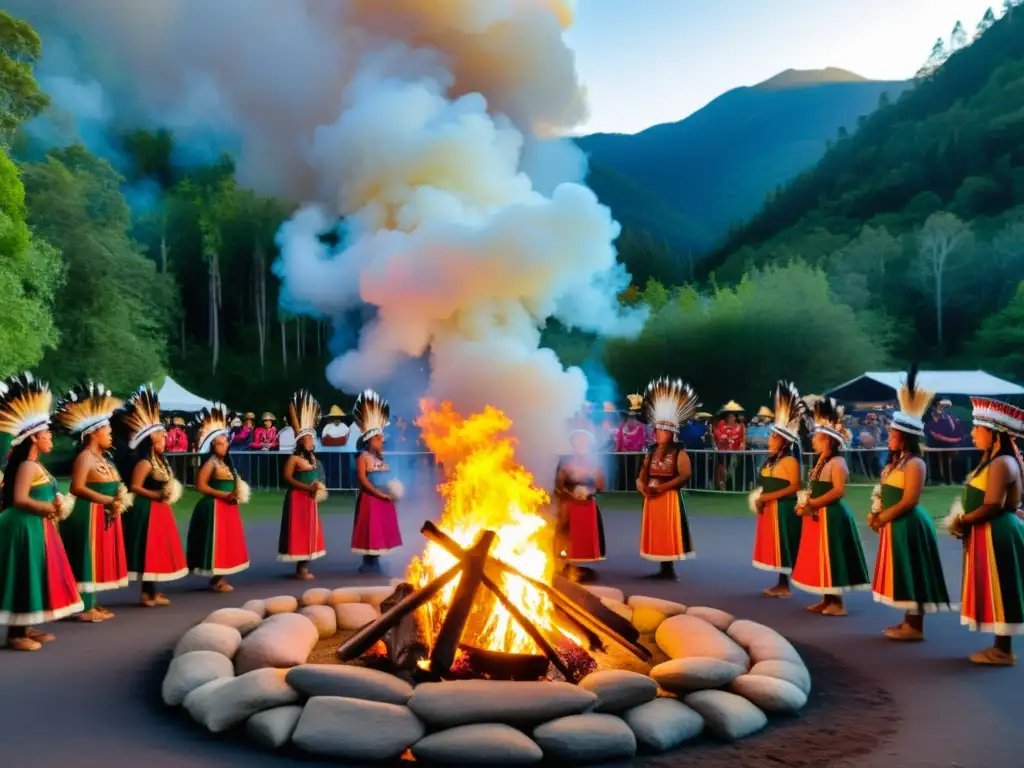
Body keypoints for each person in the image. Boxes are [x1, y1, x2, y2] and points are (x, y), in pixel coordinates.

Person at [868, 366, 954, 640]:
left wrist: (883, 517)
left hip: (909, 524)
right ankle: (908, 622)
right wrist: (876, 514)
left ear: (905, 437)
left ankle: (915, 627)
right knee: (904, 570)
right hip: (895, 523)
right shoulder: (897, 463)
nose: (889, 437)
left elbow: (909, 500)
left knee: (913, 570)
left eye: (893, 434)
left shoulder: (915, 463)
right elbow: (885, 493)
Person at [0, 374, 83, 650]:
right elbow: (20, 498)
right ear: (34, 438)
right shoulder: (26, 465)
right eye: (47, 435)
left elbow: (43, 491)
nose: (51, 440)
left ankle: (26, 625)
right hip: (23, 526)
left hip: (37, 526)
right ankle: (15, 635)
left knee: (31, 574)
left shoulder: (36, 464)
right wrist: (49, 507)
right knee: (22, 575)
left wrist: (56, 501)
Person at [947, 397, 1024, 665]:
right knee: (998, 587)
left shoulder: (1002, 463)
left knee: (1002, 587)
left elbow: (992, 505)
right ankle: (1000, 647)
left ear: (992, 434)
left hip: (997, 533)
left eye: (976, 429)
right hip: (990, 532)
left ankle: (1003, 650)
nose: (972, 433)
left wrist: (963, 520)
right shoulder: (993, 461)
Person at [54, 384, 130, 623]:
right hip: (87, 514)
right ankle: (84, 607)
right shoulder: (85, 457)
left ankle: (91, 603)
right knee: (86, 557)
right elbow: (76, 488)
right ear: (93, 432)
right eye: (106, 429)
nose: (110, 433)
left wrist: (116, 497)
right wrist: (108, 499)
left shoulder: (102, 458)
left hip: (101, 513)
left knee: (95, 558)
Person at [791, 397, 871, 616]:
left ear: (829, 441)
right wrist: (805, 505)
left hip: (832, 515)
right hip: (818, 514)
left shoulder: (837, 463)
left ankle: (837, 603)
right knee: (821, 557)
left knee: (833, 556)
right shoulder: (821, 462)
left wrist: (813, 503)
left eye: (817, 438)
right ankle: (827, 598)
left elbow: (838, 491)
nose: (814, 441)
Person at [113, 386, 188, 608]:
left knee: (156, 551)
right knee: (148, 550)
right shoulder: (144, 462)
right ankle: (147, 593)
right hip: (146, 509)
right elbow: (135, 486)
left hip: (158, 508)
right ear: (149, 440)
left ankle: (152, 592)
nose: (165, 436)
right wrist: (155, 494)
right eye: (160, 435)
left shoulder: (160, 461)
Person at [636, 378, 697, 581]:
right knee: (656, 531)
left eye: (663, 431)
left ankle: (669, 569)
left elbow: (684, 475)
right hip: (652, 497)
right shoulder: (651, 451)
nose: (659, 434)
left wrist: (662, 488)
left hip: (669, 498)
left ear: (671, 434)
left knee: (669, 531)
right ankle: (662, 568)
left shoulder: (680, 452)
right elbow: (643, 473)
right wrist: (642, 487)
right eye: (657, 430)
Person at [187, 405, 250, 592]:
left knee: (227, 542)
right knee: (217, 542)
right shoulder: (210, 463)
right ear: (213, 445)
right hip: (214, 507)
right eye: (221, 443)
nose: (226, 445)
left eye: (226, 442)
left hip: (227, 506)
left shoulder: (225, 464)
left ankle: (220, 576)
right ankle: (216, 579)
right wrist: (223, 495)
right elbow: (201, 486)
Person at [752, 382, 805, 598]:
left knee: (785, 545)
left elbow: (794, 486)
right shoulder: (773, 461)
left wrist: (767, 497)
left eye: (774, 436)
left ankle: (784, 585)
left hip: (783, 509)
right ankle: (780, 583)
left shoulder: (790, 461)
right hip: (772, 508)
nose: (769, 439)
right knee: (776, 546)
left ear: (784, 441)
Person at [351, 389, 403, 574]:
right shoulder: (363, 457)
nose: (382, 441)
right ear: (369, 440)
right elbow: (362, 479)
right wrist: (378, 493)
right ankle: (369, 563)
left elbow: (388, 476)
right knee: (371, 530)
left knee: (381, 530)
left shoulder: (381, 459)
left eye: (382, 438)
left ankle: (376, 561)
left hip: (382, 498)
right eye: (378, 438)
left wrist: (394, 489)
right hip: (371, 498)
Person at [279, 390, 327, 580]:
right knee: (298, 529)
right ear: (301, 441)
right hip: (297, 498)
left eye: (313, 438)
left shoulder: (312, 457)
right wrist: (306, 488)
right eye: (309, 438)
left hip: (310, 498)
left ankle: (305, 563)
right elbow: (288, 478)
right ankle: (301, 567)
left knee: (310, 529)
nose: (312, 441)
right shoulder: (294, 458)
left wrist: (317, 486)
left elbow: (317, 474)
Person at [554, 416, 606, 582]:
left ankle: (578, 567)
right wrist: (567, 494)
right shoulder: (565, 462)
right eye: (577, 440)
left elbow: (600, 486)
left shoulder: (594, 463)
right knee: (566, 534)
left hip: (586, 505)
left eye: (584, 441)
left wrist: (590, 490)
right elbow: (558, 485)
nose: (580, 444)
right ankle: (565, 564)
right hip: (568, 505)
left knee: (584, 537)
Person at [925, 399, 961, 484]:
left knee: (950, 460)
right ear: (935, 405)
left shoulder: (947, 414)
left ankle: (951, 479)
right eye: (940, 404)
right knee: (936, 460)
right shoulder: (930, 414)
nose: (942, 406)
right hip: (934, 442)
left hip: (947, 443)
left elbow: (952, 427)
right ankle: (937, 479)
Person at [713, 402, 745, 490]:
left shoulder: (740, 426)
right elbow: (718, 435)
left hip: (735, 453)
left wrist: (742, 446)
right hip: (723, 452)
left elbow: (742, 439)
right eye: (730, 416)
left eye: (733, 416)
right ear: (726, 417)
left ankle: (732, 487)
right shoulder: (721, 424)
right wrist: (725, 439)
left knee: (733, 471)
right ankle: (721, 484)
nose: (732, 418)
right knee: (722, 469)